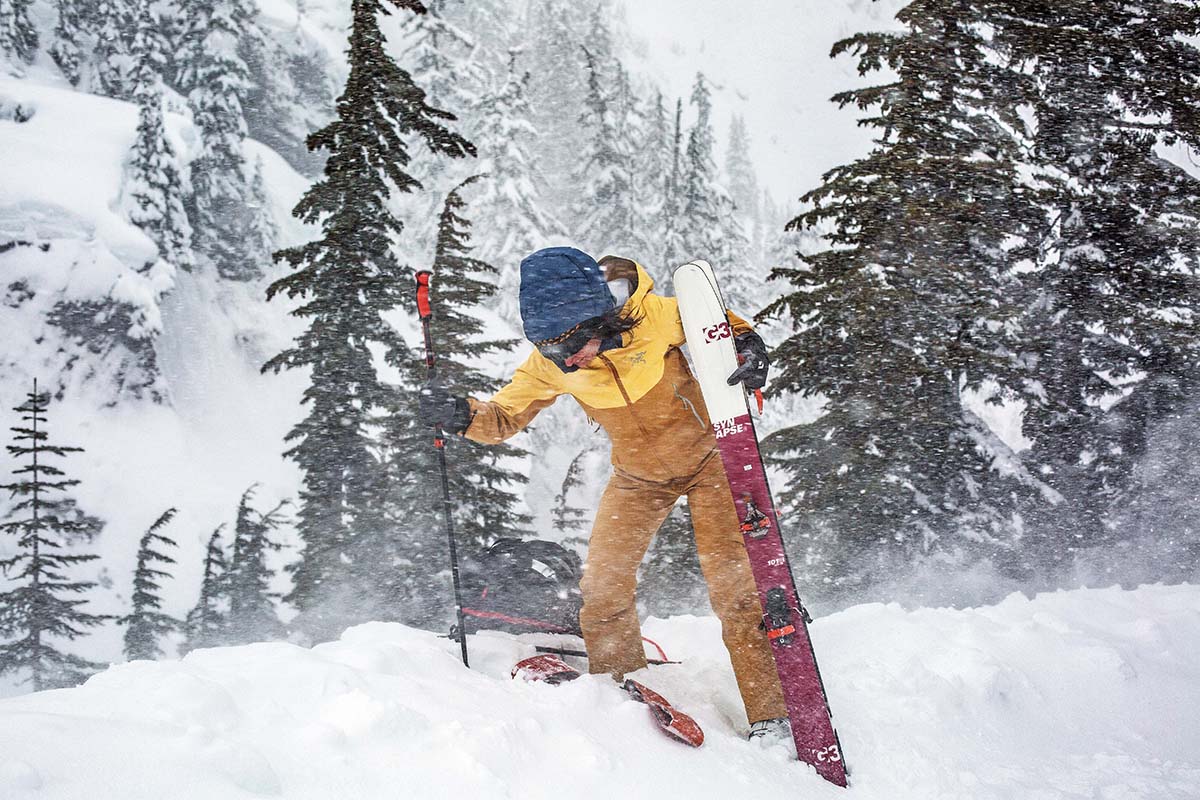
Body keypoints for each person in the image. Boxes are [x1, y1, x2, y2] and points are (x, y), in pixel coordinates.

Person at [419, 246, 787, 739]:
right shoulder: (551, 364)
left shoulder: (653, 317)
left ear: (600, 317)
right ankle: (622, 692)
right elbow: (503, 418)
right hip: (637, 478)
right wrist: (460, 414)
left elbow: (723, 328)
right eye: (549, 349)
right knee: (602, 593)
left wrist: (747, 346)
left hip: (711, 464)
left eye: (570, 343)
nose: (565, 360)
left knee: (735, 594)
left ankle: (772, 713)